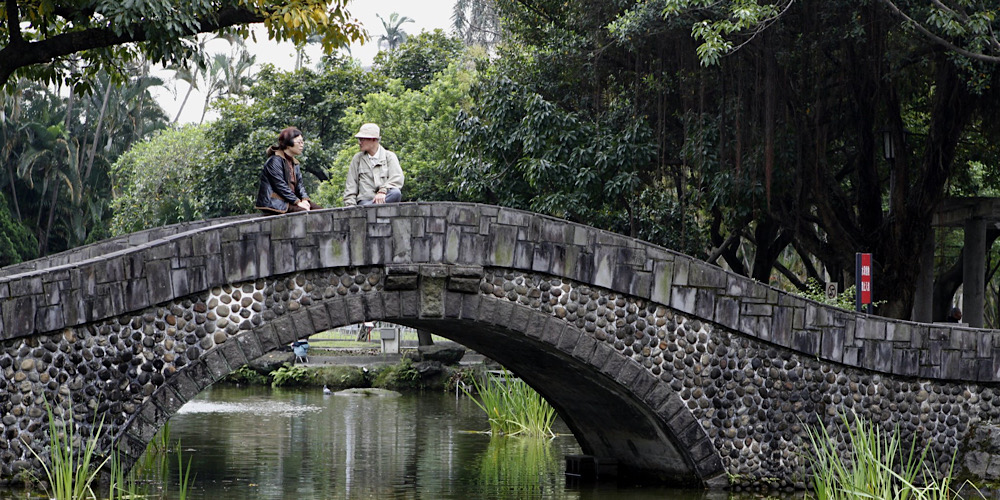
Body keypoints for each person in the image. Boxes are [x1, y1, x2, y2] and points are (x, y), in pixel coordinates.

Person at [255, 127, 321, 215]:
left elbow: (300, 186)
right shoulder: (274, 161)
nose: (302, 145)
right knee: (305, 213)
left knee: (320, 211)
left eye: (302, 142)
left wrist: (305, 200)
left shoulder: (295, 163)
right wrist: (297, 202)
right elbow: (280, 186)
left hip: (290, 201)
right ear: (288, 143)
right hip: (276, 202)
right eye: (299, 142)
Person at [343, 123, 404, 206]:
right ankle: (367, 209)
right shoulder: (357, 159)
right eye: (359, 139)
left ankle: (369, 209)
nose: (360, 142)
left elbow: (397, 178)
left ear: (373, 139)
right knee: (364, 206)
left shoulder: (389, 156)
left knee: (396, 193)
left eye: (362, 139)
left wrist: (383, 191)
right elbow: (351, 185)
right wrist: (350, 206)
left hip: (385, 198)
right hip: (365, 201)